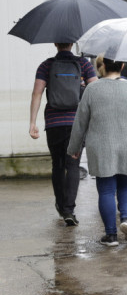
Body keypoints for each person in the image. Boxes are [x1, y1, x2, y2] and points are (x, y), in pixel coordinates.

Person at [67, 57, 127, 247]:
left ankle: (111, 235)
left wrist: (74, 148)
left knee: (106, 190)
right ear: (123, 65)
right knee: (126, 184)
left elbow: (80, 122)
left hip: (101, 146)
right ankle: (126, 219)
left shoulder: (92, 89)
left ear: (103, 66)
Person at [29, 43, 98, 226]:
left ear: (55, 44)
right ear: (72, 43)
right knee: (73, 165)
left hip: (54, 123)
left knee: (58, 165)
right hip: (77, 123)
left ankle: (61, 206)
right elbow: (96, 92)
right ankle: (69, 210)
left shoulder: (46, 65)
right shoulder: (84, 64)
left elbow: (37, 93)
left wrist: (32, 123)